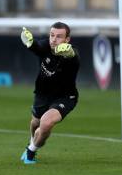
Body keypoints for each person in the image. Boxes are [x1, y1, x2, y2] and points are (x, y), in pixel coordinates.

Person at [19, 22, 80, 164]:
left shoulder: (71, 54)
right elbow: (37, 47)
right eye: (52, 35)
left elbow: (74, 56)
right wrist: (30, 41)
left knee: (45, 123)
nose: (54, 39)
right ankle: (31, 143)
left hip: (65, 97)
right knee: (35, 123)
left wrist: (70, 53)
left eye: (59, 37)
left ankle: (31, 151)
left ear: (67, 40)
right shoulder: (46, 46)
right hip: (43, 94)